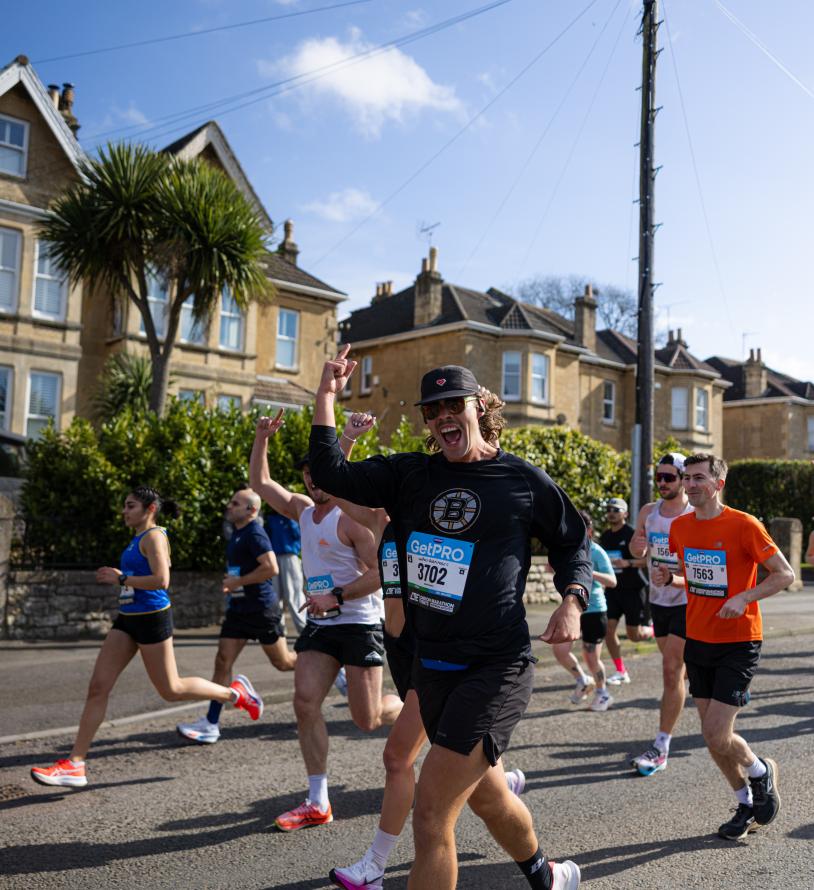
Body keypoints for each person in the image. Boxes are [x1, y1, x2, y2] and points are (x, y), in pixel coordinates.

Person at [309, 347, 592, 890]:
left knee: (432, 811)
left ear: (479, 406)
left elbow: (572, 542)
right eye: (431, 410)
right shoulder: (410, 474)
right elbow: (329, 472)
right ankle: (546, 875)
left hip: (496, 666)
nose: (442, 417)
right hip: (431, 667)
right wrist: (326, 396)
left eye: (451, 405)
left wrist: (572, 600)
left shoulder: (521, 481)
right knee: (487, 794)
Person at [329, 407, 527, 890]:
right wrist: (346, 438)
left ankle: (376, 864)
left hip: (437, 656)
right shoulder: (384, 520)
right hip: (405, 654)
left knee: (402, 763)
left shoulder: (458, 515)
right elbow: (339, 488)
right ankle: (539, 863)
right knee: (484, 793)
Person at [31, 486, 263, 787]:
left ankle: (236, 694)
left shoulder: (155, 536)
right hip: (128, 619)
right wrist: (122, 577)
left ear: (150, 508)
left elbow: (162, 580)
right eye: (125, 506)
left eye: (130, 506)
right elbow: (138, 578)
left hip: (152, 619)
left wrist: (122, 578)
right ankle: (75, 764)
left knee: (172, 688)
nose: (124, 511)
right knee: (98, 687)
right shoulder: (137, 538)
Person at [249, 413, 402, 833]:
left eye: (321, 475)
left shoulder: (353, 518)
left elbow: (382, 574)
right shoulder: (301, 509)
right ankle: (318, 799)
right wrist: (262, 438)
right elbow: (261, 485)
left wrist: (335, 595)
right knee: (304, 702)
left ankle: (413, 711)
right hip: (321, 625)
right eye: (308, 476)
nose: (314, 483)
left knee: (367, 720)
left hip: (358, 623)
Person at [669, 453, 792, 841]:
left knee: (717, 733)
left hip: (739, 641)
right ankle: (744, 802)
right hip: (698, 638)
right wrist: (670, 578)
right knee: (711, 736)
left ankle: (760, 772)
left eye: (698, 478)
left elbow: (784, 574)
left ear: (718, 484)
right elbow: (701, 582)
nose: (689, 484)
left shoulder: (744, 525)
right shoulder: (680, 528)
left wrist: (746, 597)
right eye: (685, 477)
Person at [176, 488, 296, 744]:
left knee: (283, 662)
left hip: (261, 609)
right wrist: (234, 582)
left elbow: (271, 568)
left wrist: (238, 580)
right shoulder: (238, 534)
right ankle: (211, 722)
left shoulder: (255, 533)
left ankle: (330, 664)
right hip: (239, 609)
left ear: (251, 510)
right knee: (222, 661)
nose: (229, 506)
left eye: (235, 503)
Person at [626, 453, 694, 776]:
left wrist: (676, 576)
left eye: (670, 477)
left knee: (670, 669)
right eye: (660, 478)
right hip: (659, 601)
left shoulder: (693, 514)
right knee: (677, 671)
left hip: (687, 600)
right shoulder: (649, 513)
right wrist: (637, 545)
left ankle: (661, 746)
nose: (663, 483)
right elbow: (636, 550)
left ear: (683, 479)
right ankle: (702, 672)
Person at [553, 511, 616, 712]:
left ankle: (603, 693)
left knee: (591, 658)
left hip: (594, 609)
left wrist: (588, 571)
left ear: (589, 530)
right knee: (560, 650)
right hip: (572, 608)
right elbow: (550, 569)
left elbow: (612, 581)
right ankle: (582, 680)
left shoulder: (596, 551)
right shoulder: (568, 549)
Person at [600, 497, 650, 684]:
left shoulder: (632, 534)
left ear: (625, 514)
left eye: (615, 509)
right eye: (609, 509)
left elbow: (648, 560)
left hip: (633, 589)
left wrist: (628, 563)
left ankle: (652, 630)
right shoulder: (605, 536)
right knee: (608, 630)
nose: (611, 512)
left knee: (634, 636)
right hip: (613, 590)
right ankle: (621, 671)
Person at [265, 505, 307, 636]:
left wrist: (288, 517)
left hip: (290, 556)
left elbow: (299, 535)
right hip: (275, 557)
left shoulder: (293, 518)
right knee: (275, 595)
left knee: (293, 593)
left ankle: (304, 629)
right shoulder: (271, 519)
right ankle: (279, 629)